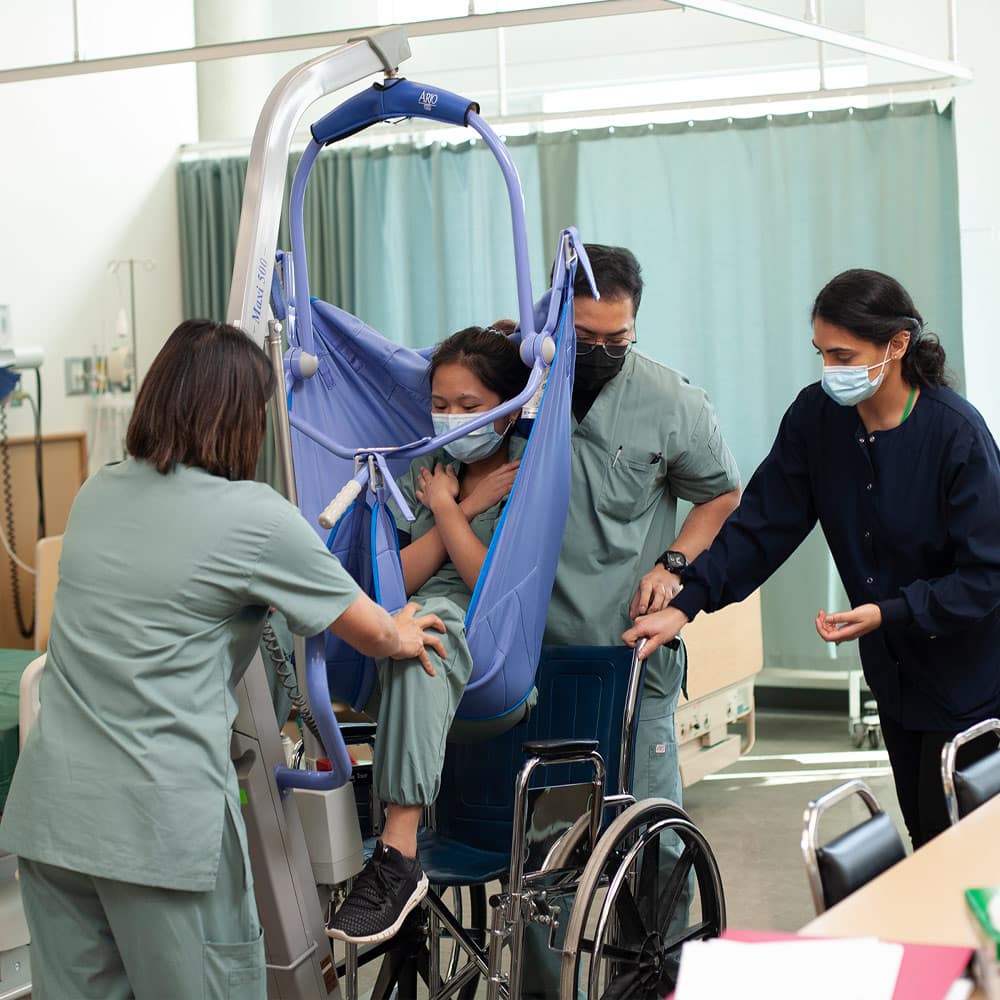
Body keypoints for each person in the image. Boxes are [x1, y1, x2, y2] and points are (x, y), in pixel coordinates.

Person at [0, 320, 445, 1000]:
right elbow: (372, 632)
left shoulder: (98, 490)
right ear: (244, 418)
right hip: (155, 829)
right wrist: (404, 633)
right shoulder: (255, 517)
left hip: (50, 819)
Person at [626, 268, 1000, 849]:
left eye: (845, 355)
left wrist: (889, 612)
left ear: (897, 345)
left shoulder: (956, 434)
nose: (832, 370)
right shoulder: (817, 420)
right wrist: (686, 603)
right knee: (925, 835)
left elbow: (986, 577)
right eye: (823, 353)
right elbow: (762, 525)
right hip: (896, 676)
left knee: (961, 850)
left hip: (973, 679)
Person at [524, 244, 741, 995]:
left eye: (619, 342)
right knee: (544, 857)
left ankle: (660, 985)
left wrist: (673, 564)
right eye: (586, 342)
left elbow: (719, 496)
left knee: (651, 844)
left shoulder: (671, 401)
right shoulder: (518, 384)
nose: (604, 356)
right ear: (555, 320)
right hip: (537, 664)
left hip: (630, 659)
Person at [327, 325, 530, 946]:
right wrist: (458, 508)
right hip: (411, 606)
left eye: (470, 406)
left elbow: (483, 577)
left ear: (507, 405)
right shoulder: (431, 466)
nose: (451, 418)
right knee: (376, 625)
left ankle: (398, 851)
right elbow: (405, 572)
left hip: (488, 625)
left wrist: (445, 510)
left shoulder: (526, 468)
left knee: (427, 644)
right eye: (441, 405)